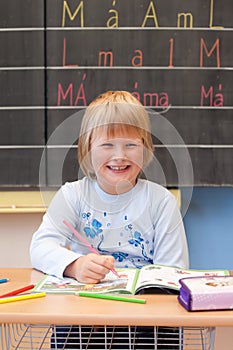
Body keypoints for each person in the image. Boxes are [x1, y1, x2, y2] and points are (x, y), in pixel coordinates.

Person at [30, 90, 189, 349]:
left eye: (130, 145)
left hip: (146, 320)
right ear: (87, 148)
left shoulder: (161, 202)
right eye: (107, 145)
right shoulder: (73, 195)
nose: (119, 156)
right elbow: (39, 248)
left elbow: (172, 272)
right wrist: (75, 266)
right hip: (87, 317)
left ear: (145, 148)